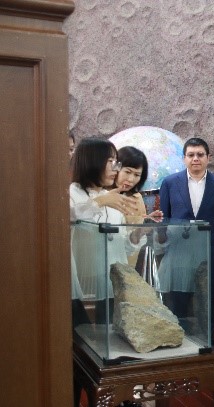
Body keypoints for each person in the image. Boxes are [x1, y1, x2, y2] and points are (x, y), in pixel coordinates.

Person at [159, 137, 214, 340]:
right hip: (179, 250)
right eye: (191, 155)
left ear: (208, 158)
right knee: (179, 297)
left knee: (208, 296)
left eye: (200, 154)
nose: (195, 159)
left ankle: (208, 338)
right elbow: (166, 217)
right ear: (184, 158)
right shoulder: (170, 183)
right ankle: (179, 337)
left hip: (209, 249)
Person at [70, 137, 144, 323]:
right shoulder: (72, 193)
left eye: (116, 162)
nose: (116, 169)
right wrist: (100, 202)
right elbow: (71, 216)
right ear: (92, 161)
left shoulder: (112, 196)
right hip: (82, 287)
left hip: (113, 284)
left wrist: (137, 235)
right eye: (110, 161)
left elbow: (122, 248)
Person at [115, 146, 163, 224]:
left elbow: (137, 231)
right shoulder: (101, 193)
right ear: (116, 168)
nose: (131, 179)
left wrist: (147, 220)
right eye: (127, 172)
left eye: (137, 175)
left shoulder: (137, 197)